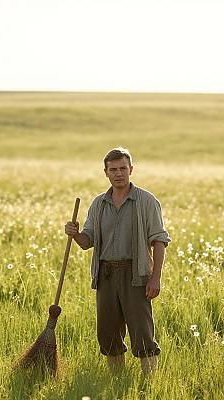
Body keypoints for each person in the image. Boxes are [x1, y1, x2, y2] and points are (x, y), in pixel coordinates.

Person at [65, 147, 171, 376]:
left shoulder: (147, 201)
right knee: (108, 334)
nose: (118, 173)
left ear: (131, 169)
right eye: (113, 169)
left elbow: (159, 241)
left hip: (136, 274)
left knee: (142, 333)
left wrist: (156, 278)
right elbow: (86, 242)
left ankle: (150, 384)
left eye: (123, 168)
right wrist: (74, 234)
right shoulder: (99, 204)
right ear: (106, 173)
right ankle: (117, 382)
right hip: (105, 275)